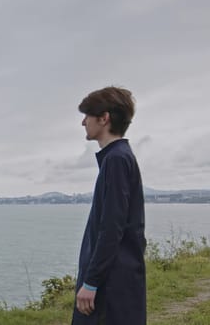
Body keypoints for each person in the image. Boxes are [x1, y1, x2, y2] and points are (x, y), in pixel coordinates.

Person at [72, 86, 146, 325]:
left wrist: (91, 282)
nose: (83, 122)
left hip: (110, 285)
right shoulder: (119, 157)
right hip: (118, 279)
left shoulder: (116, 160)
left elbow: (112, 227)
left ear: (104, 118)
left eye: (87, 115)